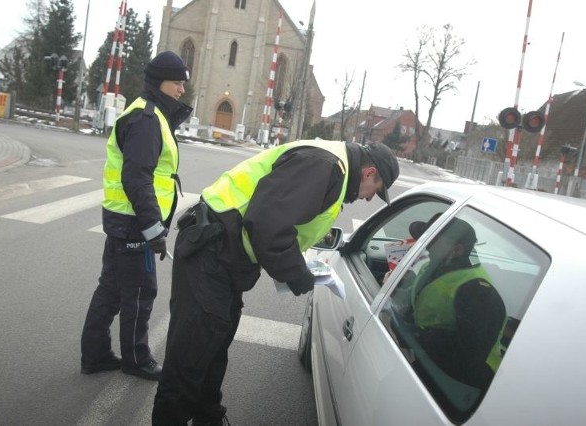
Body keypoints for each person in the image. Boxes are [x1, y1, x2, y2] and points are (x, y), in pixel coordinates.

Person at [152, 141, 400, 425]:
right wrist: (297, 274)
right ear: (369, 173)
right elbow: (267, 224)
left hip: (223, 251)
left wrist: (296, 261)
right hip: (212, 249)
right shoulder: (325, 168)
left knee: (214, 347)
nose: (369, 199)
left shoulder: (330, 166)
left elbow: (282, 219)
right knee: (190, 356)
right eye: (375, 192)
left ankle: (209, 417)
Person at [80, 51, 193, 381]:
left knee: (112, 290)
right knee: (141, 293)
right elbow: (136, 177)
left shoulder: (151, 114)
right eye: (177, 83)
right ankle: (136, 359)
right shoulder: (146, 119)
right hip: (134, 224)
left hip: (124, 220)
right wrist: (153, 228)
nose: (182, 90)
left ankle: (96, 354)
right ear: (161, 83)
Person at [404, 214, 507, 388]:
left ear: (456, 250)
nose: (427, 247)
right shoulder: (433, 267)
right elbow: (424, 302)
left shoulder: (477, 291)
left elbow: (468, 354)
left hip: (460, 385)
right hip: (428, 361)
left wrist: (415, 335)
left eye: (433, 241)